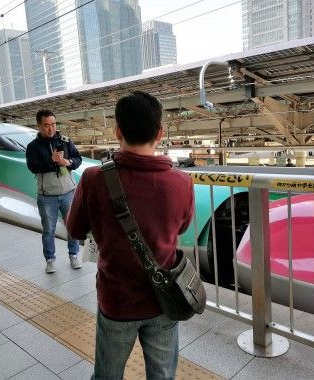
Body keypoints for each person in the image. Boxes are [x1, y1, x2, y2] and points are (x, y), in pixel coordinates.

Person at [67, 91, 194, 380]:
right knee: (162, 376)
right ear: (160, 133)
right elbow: (183, 227)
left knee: (107, 375)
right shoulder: (182, 182)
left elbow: (75, 230)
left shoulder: (93, 178)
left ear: (118, 131)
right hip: (164, 299)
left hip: (116, 301)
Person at [26, 109, 82, 273]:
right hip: (46, 196)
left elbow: (78, 159)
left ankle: (74, 255)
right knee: (48, 229)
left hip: (68, 192)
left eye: (53, 124)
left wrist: (67, 161)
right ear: (38, 126)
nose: (51, 129)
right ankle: (50, 260)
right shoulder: (33, 147)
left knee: (73, 226)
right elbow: (33, 167)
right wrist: (52, 161)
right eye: (46, 125)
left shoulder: (65, 140)